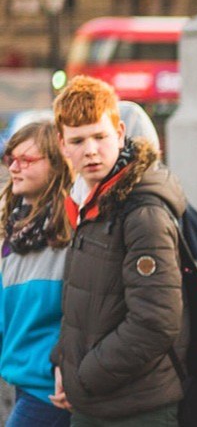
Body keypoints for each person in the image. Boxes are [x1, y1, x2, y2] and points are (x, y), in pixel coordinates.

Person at [49, 76, 188, 426]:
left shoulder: (143, 213)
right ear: (62, 144)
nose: (91, 150)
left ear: (121, 132)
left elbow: (155, 322)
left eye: (100, 136)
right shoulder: (88, 204)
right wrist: (63, 363)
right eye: (78, 141)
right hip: (94, 402)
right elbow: (83, 302)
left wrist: (83, 377)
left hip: (138, 409)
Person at [1, 122, 77, 427]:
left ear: (56, 164)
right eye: (11, 159)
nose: (14, 168)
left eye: (27, 160)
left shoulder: (73, 228)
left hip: (51, 386)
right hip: (20, 376)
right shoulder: (13, 229)